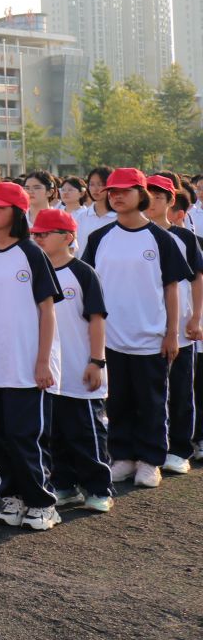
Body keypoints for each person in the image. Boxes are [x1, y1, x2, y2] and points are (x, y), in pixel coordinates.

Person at [82, 168, 188, 490]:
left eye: (124, 191)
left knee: (152, 402)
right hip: (111, 337)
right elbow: (89, 288)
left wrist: (172, 333)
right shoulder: (99, 238)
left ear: (141, 194)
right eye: (112, 191)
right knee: (118, 401)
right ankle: (123, 456)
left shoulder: (161, 238)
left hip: (150, 338)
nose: (116, 196)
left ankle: (150, 460)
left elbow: (171, 288)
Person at [0, 180, 63, 530]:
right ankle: (15, 496)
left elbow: (47, 310)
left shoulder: (32, 254)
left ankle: (42, 503)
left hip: (24, 363)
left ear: (17, 212)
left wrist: (43, 360)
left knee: (25, 436)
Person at [29, 208, 113, 513]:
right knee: (55, 435)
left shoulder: (83, 273)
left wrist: (97, 361)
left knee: (86, 433)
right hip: (50, 372)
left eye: (45, 233)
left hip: (80, 369)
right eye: (35, 234)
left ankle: (99, 488)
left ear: (67, 237)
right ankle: (64, 485)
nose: (38, 238)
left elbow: (97, 319)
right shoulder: (35, 272)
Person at [144, 175, 203, 474]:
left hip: (179, 328)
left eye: (159, 197)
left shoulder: (185, 238)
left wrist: (195, 317)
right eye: (148, 196)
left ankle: (179, 449)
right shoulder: (133, 235)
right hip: (142, 328)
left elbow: (197, 279)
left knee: (180, 389)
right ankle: (145, 449)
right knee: (146, 392)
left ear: (171, 201)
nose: (152, 202)